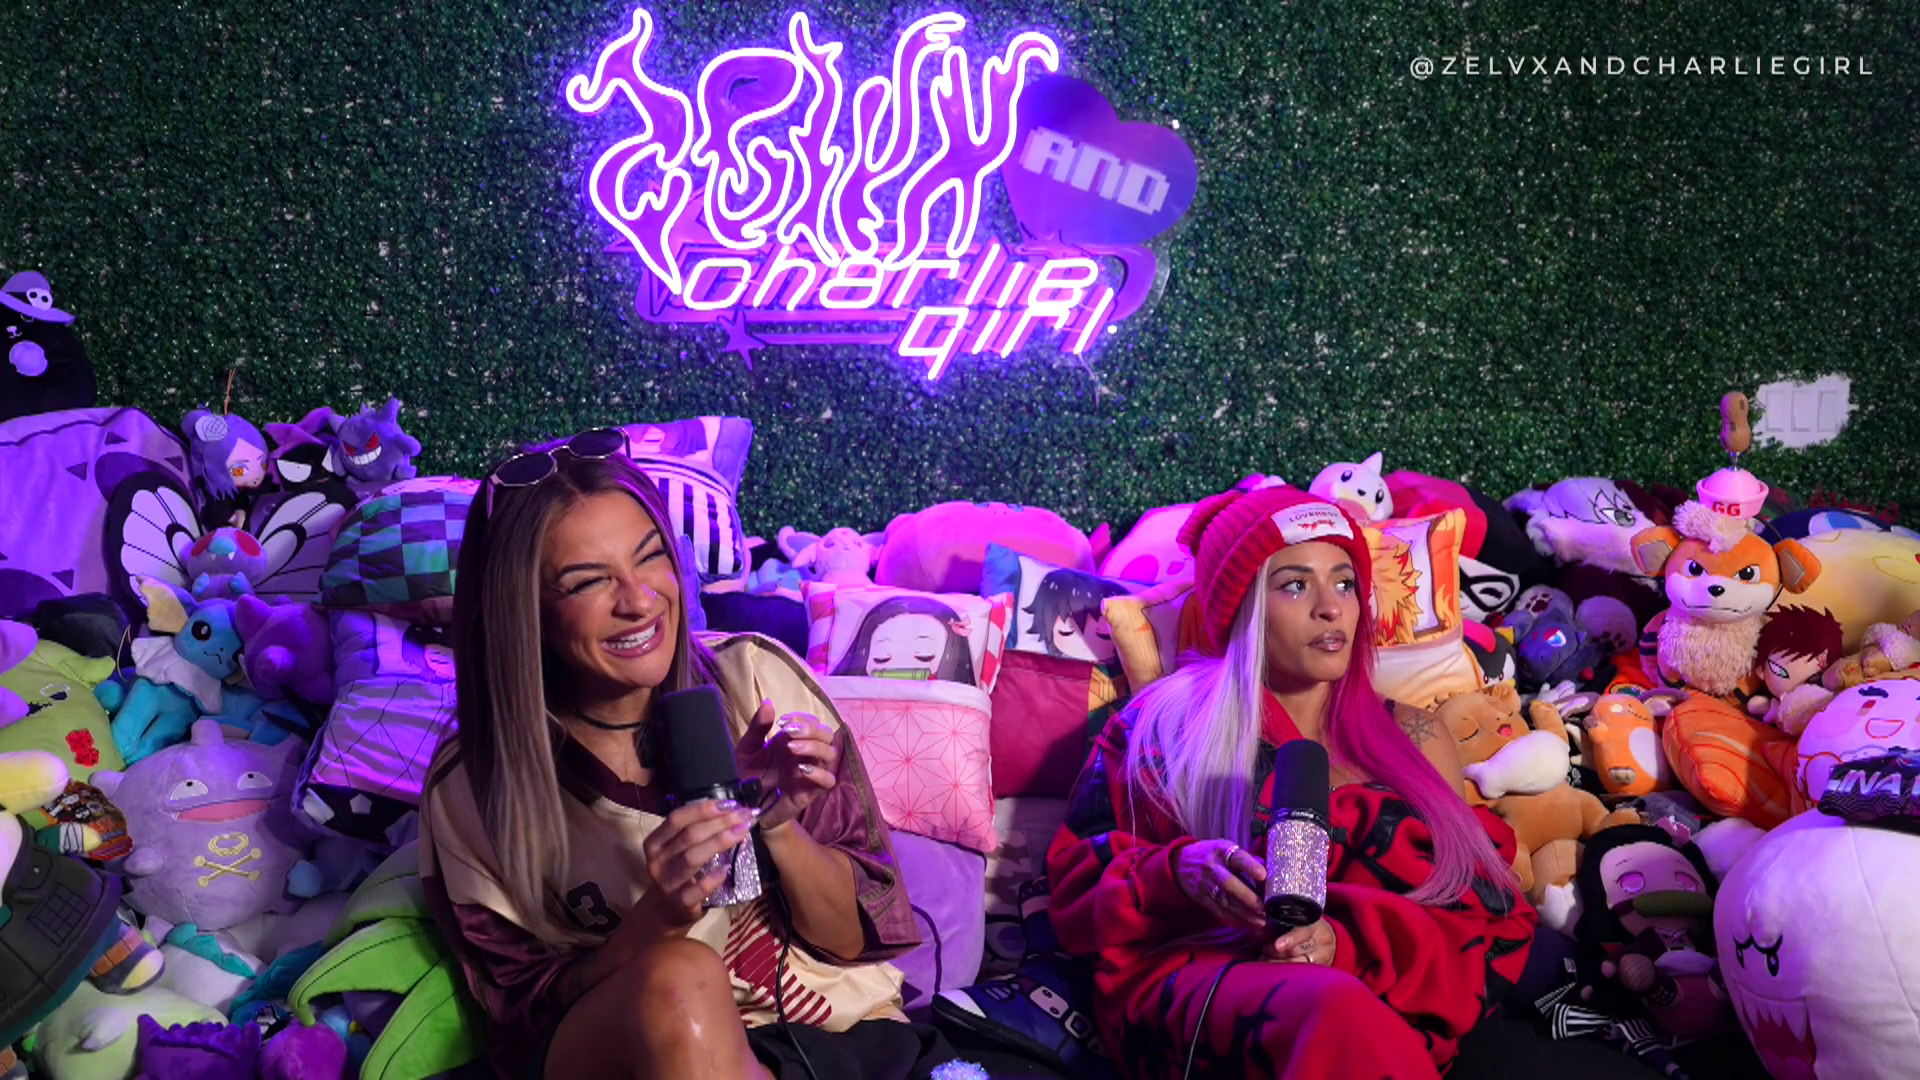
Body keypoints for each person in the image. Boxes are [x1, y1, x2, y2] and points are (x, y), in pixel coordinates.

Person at [419, 433, 962, 1080]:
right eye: (588, 581)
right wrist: (659, 918)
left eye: (651, 557)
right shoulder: (473, 784)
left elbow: (852, 941)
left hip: (831, 1039)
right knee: (681, 979)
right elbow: (526, 1019)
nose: (639, 600)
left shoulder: (755, 679)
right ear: (523, 612)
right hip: (630, 1054)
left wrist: (775, 825)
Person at [1046, 486, 1538, 1079]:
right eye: (1295, 585)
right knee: (1335, 1008)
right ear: (1243, 608)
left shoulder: (1418, 735)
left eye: (1345, 583)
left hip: (1383, 996)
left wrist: (1341, 943)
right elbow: (1077, 890)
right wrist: (1177, 872)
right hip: (1204, 982)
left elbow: (1467, 910)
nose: (1330, 608)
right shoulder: (1164, 723)